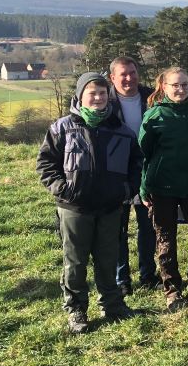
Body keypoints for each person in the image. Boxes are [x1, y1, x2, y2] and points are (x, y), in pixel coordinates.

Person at [37, 72, 141, 334]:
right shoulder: (62, 128)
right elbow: (46, 164)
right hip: (74, 208)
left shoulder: (122, 131)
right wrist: (63, 189)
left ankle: (112, 304)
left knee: (108, 258)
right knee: (75, 261)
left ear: (109, 96)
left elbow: (136, 167)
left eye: (103, 93)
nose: (98, 98)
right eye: (92, 93)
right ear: (80, 96)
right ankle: (76, 309)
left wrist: (126, 190)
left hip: (110, 208)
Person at [138, 67, 188, 311]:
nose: (181, 89)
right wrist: (144, 188)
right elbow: (145, 155)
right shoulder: (154, 116)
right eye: (175, 85)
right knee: (166, 241)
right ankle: (172, 290)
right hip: (162, 187)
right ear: (164, 86)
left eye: (185, 84)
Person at [108, 56, 159, 294]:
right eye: (123, 74)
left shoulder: (152, 97)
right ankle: (122, 280)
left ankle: (148, 275)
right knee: (118, 229)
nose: (129, 78)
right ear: (112, 78)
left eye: (132, 72)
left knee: (147, 227)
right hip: (115, 173)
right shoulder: (104, 101)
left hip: (146, 171)